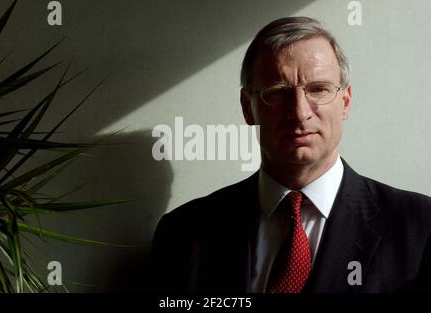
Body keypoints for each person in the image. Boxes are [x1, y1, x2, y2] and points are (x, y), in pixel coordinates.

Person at [148, 17, 430, 293]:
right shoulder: (183, 233)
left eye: (318, 89)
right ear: (248, 107)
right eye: (278, 92)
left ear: (345, 102)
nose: (299, 112)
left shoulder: (420, 226)